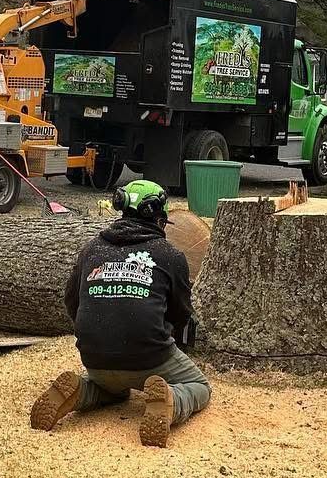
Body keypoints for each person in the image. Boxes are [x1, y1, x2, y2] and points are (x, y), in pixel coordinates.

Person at [29, 179, 210, 447]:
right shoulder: (170, 255)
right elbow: (182, 313)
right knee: (200, 387)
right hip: (149, 357)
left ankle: (80, 392)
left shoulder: (92, 249)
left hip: (95, 358)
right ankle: (171, 402)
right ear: (159, 218)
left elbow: (71, 302)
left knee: (115, 390)